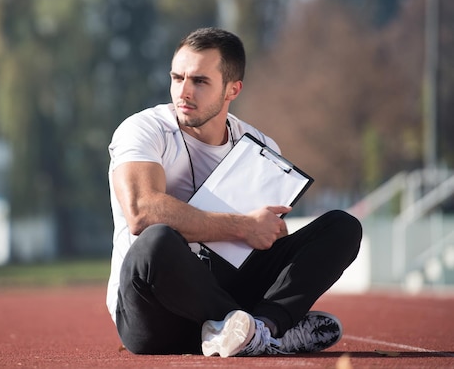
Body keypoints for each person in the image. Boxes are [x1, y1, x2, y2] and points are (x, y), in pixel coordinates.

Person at [105, 27, 362, 357]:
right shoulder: (144, 130)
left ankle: (264, 327)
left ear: (232, 89)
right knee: (155, 241)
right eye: (177, 77)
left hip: (230, 298)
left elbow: (267, 243)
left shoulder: (261, 147)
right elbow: (140, 211)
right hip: (156, 313)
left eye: (199, 81)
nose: (184, 91)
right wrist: (244, 226)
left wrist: (269, 234)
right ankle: (264, 333)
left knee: (342, 227)